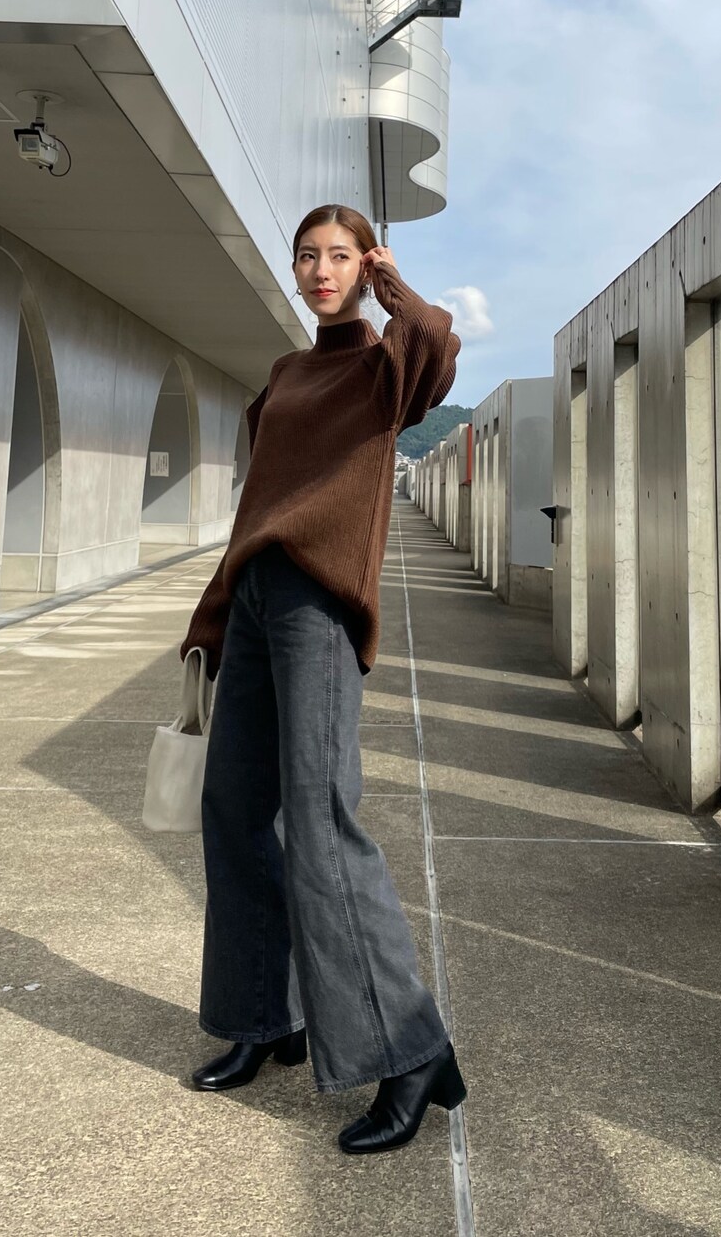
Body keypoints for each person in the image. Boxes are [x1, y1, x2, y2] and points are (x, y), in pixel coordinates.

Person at [180, 203, 464, 1155]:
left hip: (320, 608)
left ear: (364, 264)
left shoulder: (382, 371)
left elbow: (434, 340)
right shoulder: (285, 376)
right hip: (256, 598)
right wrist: (214, 615)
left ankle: (410, 1051)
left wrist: (391, 281)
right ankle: (264, 1019)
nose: (320, 270)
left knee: (319, 820)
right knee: (232, 809)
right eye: (308, 256)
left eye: (339, 255)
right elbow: (255, 506)